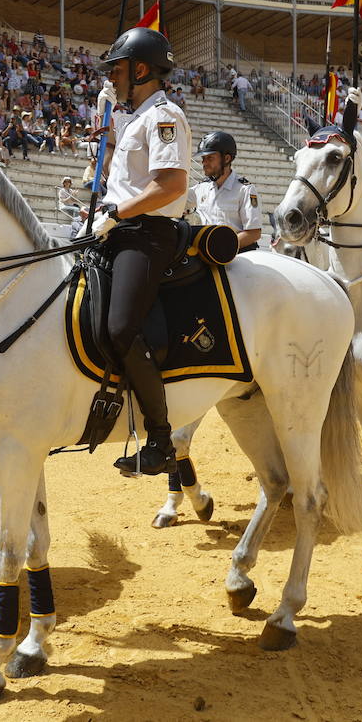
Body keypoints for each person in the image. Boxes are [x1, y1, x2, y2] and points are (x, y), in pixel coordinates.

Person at [91, 27, 190, 476]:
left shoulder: (165, 117)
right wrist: (106, 131)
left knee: (121, 327)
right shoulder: (134, 118)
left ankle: (162, 438)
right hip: (120, 228)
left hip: (147, 233)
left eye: (117, 69)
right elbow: (121, 176)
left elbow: (171, 184)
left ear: (142, 69)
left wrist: (117, 213)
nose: (112, 77)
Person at [192, 131, 263, 250]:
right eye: (203, 158)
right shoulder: (201, 188)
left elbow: (254, 233)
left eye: (210, 158)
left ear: (227, 158)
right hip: (206, 254)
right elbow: (176, 200)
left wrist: (223, 249)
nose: (204, 163)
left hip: (236, 255)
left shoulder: (245, 190)